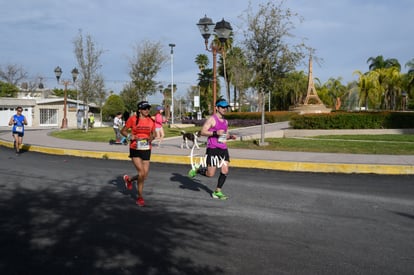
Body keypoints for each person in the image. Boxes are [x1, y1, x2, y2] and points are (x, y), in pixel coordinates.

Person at [190, 99, 236, 200]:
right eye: (222, 107)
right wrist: (215, 133)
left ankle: (217, 191)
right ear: (216, 107)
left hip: (223, 148)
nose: (225, 109)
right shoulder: (212, 119)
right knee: (210, 174)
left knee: (225, 169)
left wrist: (230, 137)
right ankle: (198, 169)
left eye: (226, 107)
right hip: (213, 148)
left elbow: (223, 135)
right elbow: (202, 132)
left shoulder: (225, 122)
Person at [121, 101, 156, 207]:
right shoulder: (133, 119)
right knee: (141, 173)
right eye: (145, 108)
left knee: (144, 175)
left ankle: (129, 179)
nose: (147, 110)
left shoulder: (151, 120)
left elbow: (153, 133)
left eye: (148, 108)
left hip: (146, 148)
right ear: (140, 110)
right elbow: (123, 131)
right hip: (135, 148)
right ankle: (140, 198)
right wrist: (129, 136)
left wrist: (151, 138)